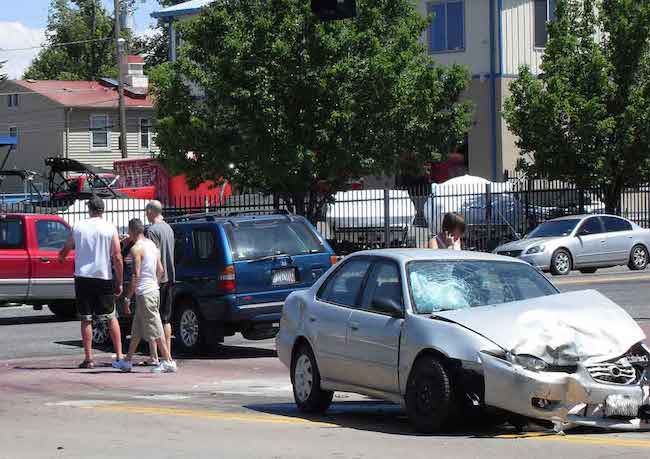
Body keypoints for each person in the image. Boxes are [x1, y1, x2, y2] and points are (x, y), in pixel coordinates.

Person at [58, 195, 125, 369]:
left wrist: (61, 256)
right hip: (103, 276)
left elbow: (67, 246)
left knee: (86, 319)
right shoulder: (109, 227)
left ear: (89, 208)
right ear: (102, 210)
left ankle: (89, 358)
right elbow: (117, 256)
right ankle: (119, 355)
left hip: (83, 277)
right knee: (111, 317)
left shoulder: (79, 226)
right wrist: (119, 281)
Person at [115, 219, 177, 373]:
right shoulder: (151, 245)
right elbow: (161, 270)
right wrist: (154, 283)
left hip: (144, 293)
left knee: (155, 327)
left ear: (132, 231)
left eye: (128, 231)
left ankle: (168, 361)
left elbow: (135, 275)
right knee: (137, 327)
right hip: (152, 290)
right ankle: (127, 361)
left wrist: (128, 297)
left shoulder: (136, 248)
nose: (127, 234)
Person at [144, 200, 175, 355]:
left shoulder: (151, 231)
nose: (145, 214)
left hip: (157, 279)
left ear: (151, 211)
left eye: (146, 211)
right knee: (165, 318)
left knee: (153, 318)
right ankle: (167, 353)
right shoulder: (169, 228)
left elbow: (151, 256)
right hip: (170, 277)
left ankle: (154, 355)